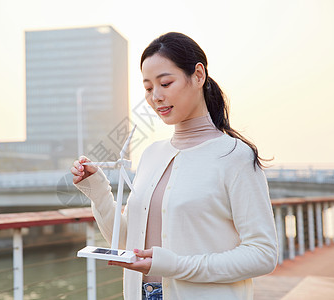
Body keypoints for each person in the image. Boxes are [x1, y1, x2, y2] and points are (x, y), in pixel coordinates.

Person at [71, 32, 278, 300]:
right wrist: (97, 190)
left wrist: (174, 266)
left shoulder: (235, 156)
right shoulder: (151, 155)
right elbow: (126, 243)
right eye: (147, 88)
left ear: (198, 75)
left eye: (165, 83)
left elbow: (263, 254)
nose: (156, 96)